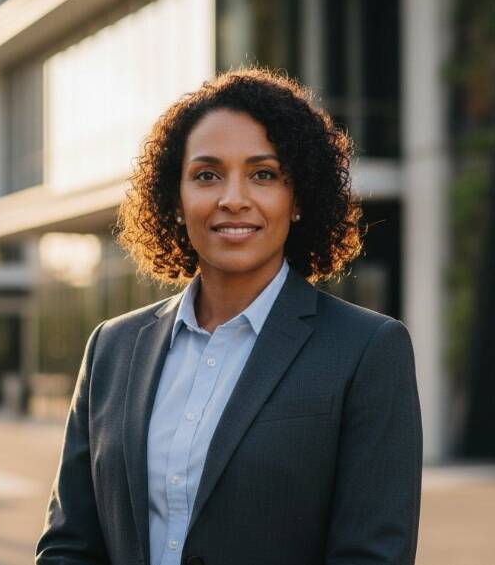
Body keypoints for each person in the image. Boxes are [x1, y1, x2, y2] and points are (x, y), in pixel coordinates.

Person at [36, 68, 422, 565]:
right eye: (206, 175)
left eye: (263, 174)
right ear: (175, 200)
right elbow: (69, 545)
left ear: (297, 198)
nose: (233, 198)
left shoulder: (367, 351)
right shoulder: (113, 347)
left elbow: (373, 556)